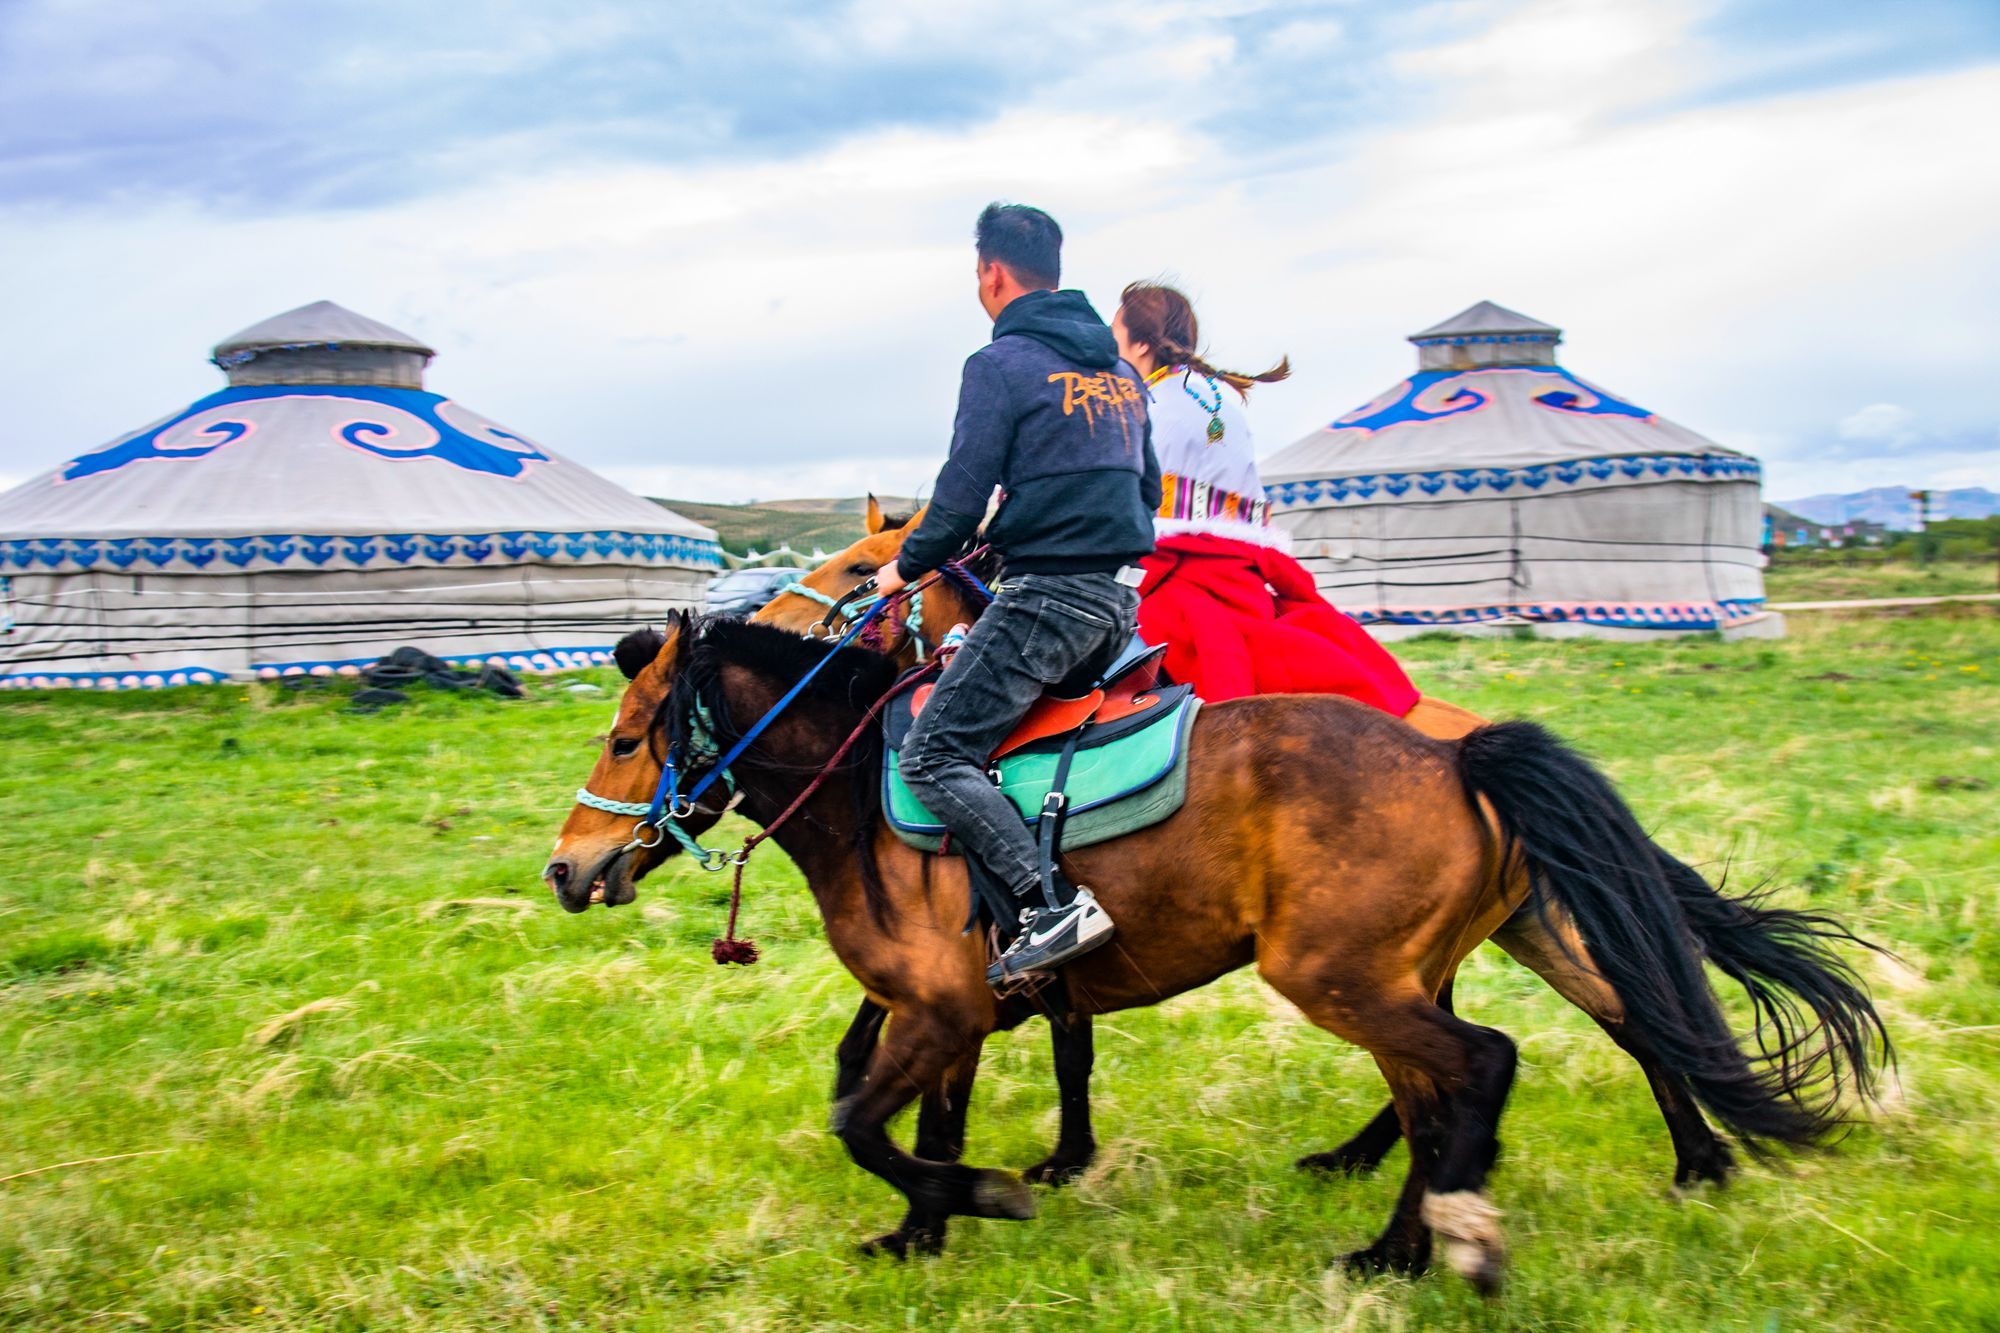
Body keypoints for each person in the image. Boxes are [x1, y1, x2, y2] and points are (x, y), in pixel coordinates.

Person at [874, 205, 1160, 985]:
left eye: (978, 273)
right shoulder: (1123, 375)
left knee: (933, 753)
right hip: (1116, 609)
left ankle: (1049, 902)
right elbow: (1148, 489)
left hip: (1045, 602)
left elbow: (958, 497)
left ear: (991, 273)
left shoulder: (997, 367)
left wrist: (904, 565)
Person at [1112, 283, 1418, 713]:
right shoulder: (1220, 399)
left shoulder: (1147, 403)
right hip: (1240, 575)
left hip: (1171, 575)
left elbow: (1128, 507)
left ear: (1141, 344)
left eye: (1115, 337)